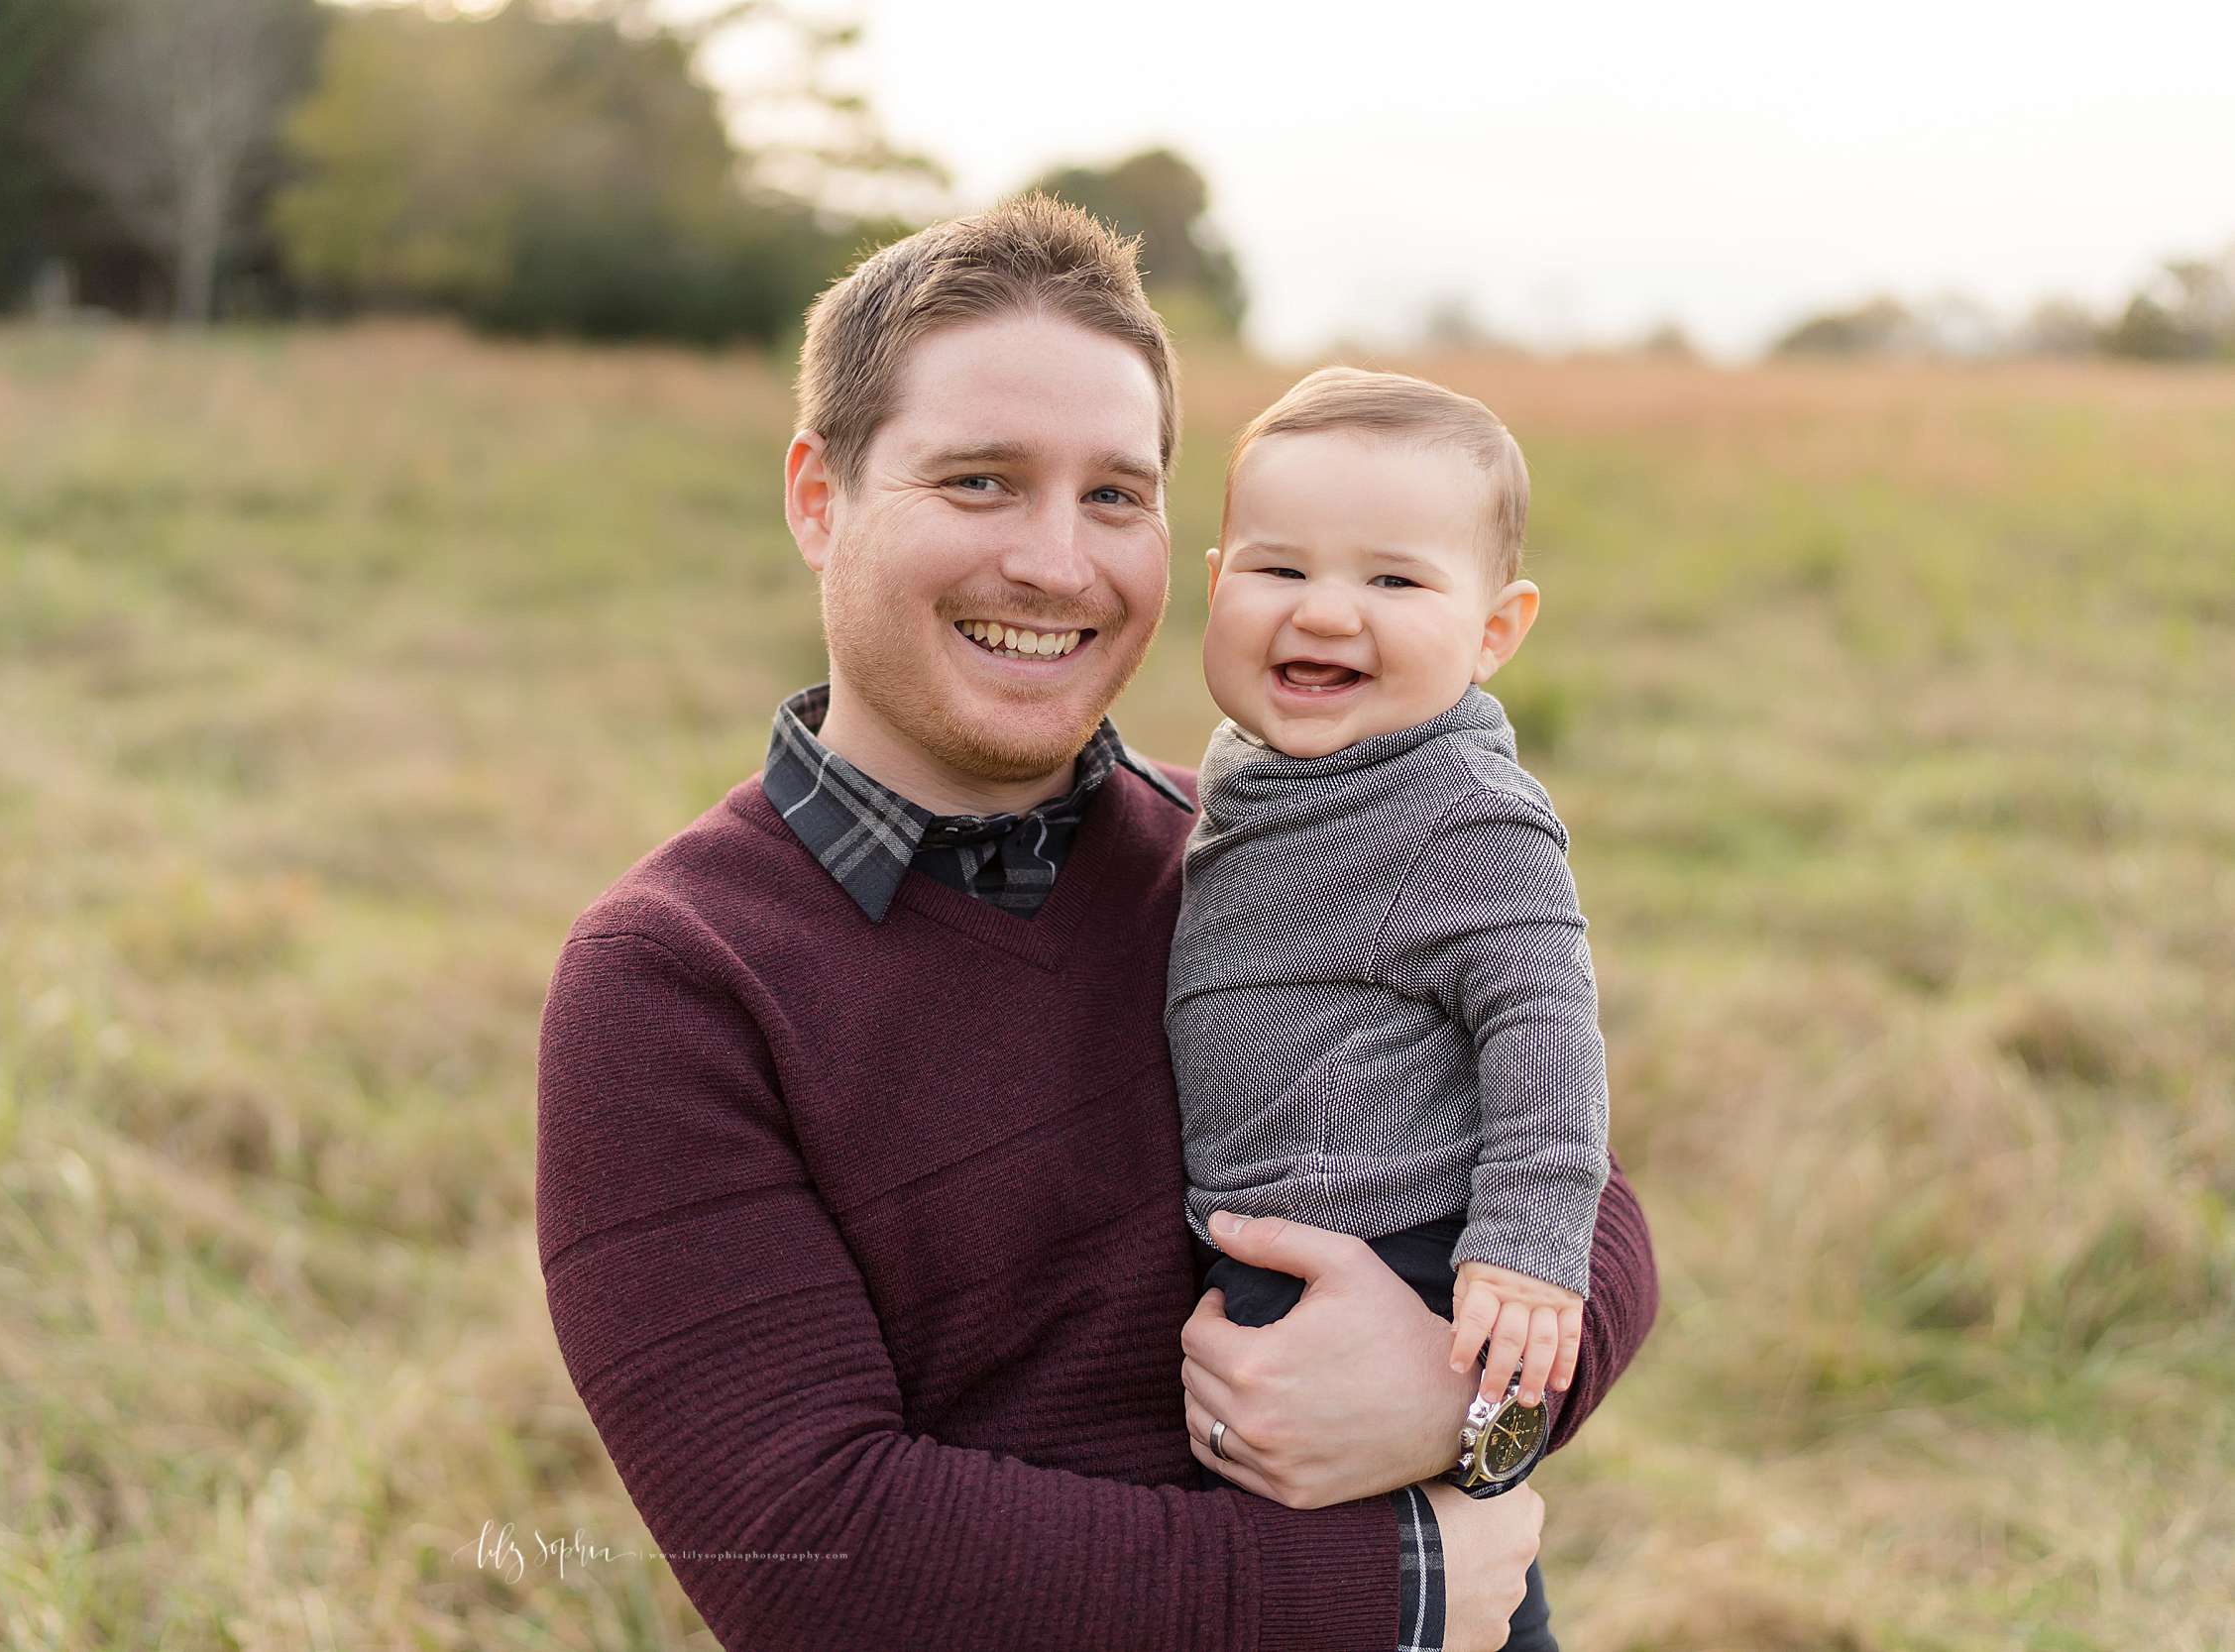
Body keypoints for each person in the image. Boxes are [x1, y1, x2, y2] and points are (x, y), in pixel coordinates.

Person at [533, 197, 1657, 1651]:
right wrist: (1396, 1585)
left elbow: (1578, 1185)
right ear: (820, 497)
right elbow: (801, 1544)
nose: (1059, 566)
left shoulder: (1264, 845)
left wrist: (1469, 1401)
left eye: (1115, 496)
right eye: (983, 481)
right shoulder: (676, 984)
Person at [1173, 369, 1611, 1651]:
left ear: (1495, 630)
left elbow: (1544, 1023)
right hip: (1282, 1243)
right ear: (1215, 585)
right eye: (1277, 570)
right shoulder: (1250, 761)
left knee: (1414, 1589)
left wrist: (1528, 1244)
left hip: (1404, 1249)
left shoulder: (1461, 808)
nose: (1326, 612)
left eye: (1394, 582)